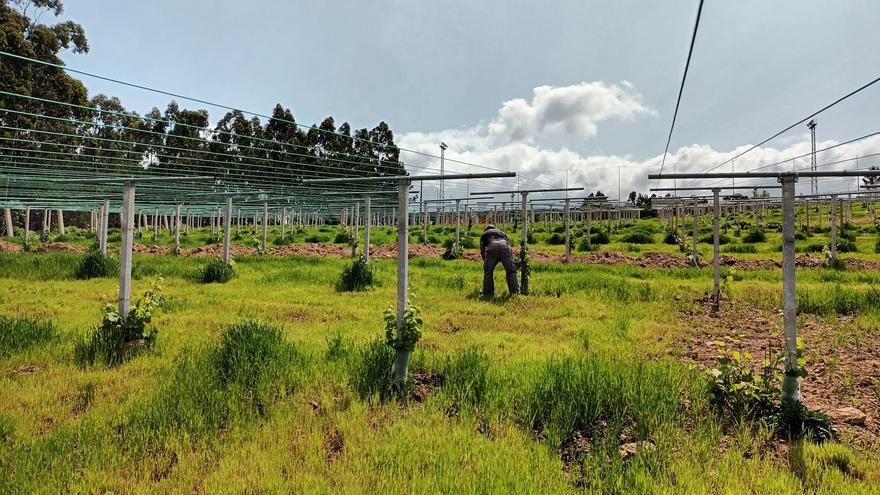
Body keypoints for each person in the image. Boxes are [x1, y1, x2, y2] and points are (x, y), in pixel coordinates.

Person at [480, 224, 519, 297]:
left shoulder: (484, 234)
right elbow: (509, 245)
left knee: (488, 272)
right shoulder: (501, 232)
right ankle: (515, 293)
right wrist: (510, 259)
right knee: (511, 271)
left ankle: (488, 294)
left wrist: (485, 262)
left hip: (492, 247)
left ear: (486, 229)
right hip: (505, 246)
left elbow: (482, 249)